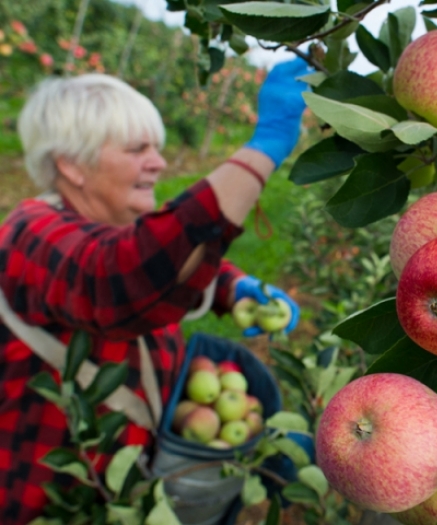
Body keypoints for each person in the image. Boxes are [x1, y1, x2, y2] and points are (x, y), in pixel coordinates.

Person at [0, 57, 309, 524]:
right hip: (54, 502)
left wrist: (233, 287)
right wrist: (261, 150)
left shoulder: (104, 223)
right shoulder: (29, 232)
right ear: (72, 165)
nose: (159, 163)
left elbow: (149, 249)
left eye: (157, 147)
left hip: (123, 486)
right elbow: (119, 276)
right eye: (137, 148)